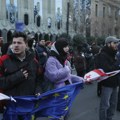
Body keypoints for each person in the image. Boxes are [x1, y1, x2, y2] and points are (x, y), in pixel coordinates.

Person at [0, 31, 42, 119]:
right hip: (11, 108)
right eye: (14, 43)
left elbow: (39, 79)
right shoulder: (3, 60)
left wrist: (38, 90)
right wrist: (18, 76)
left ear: (26, 44)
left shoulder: (34, 61)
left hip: (28, 107)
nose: (16, 45)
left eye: (19, 43)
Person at [95, 36, 119, 120]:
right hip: (106, 84)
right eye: (114, 43)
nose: (116, 44)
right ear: (108, 44)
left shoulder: (114, 53)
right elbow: (107, 69)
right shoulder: (102, 55)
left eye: (117, 43)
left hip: (115, 83)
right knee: (105, 106)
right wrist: (118, 65)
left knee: (113, 105)